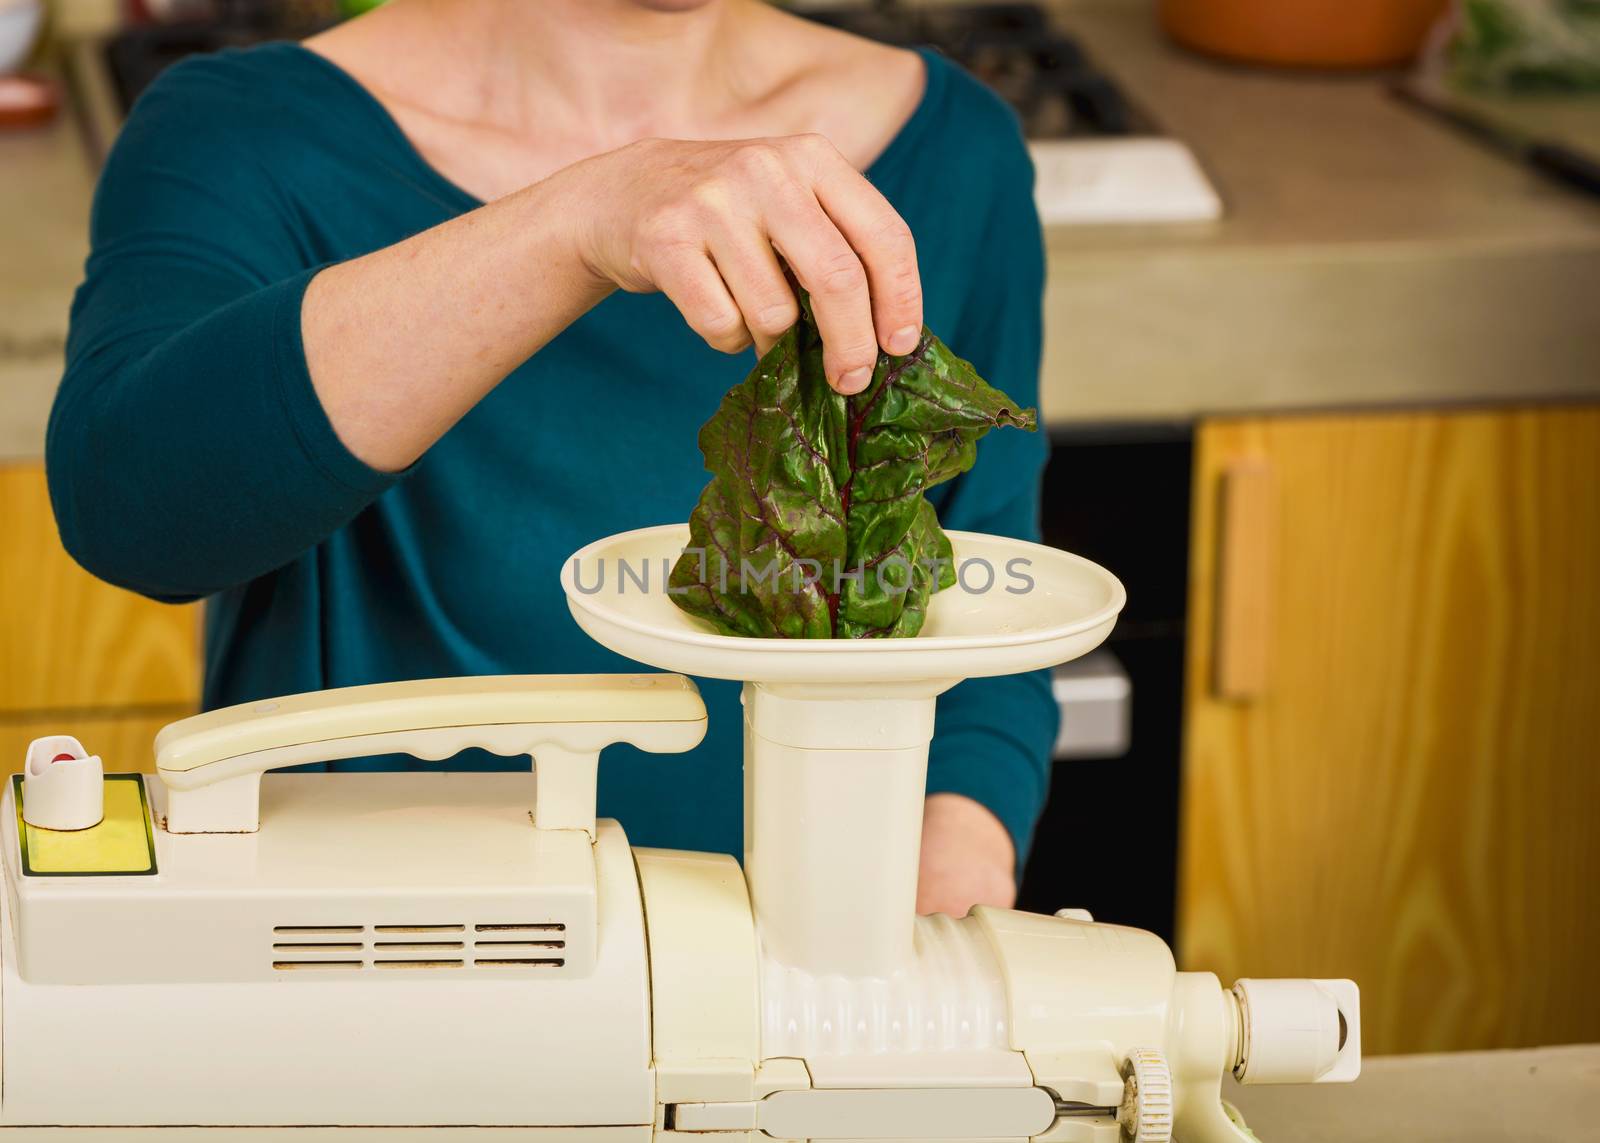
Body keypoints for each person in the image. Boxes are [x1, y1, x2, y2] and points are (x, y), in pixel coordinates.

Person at [47, 0, 1056, 916]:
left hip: (784, 1008)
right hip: (364, 979)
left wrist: (937, 937)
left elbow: (982, 613)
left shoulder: (954, 146)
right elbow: (133, 513)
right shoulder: (244, 135)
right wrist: (576, 222)